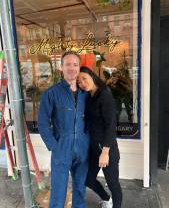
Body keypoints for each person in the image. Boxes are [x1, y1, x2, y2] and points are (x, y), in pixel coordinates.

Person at [37, 51, 90, 208]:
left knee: (80, 188)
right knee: (58, 190)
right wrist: (54, 146)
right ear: (61, 67)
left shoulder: (86, 93)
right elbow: (42, 123)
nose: (72, 68)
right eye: (68, 64)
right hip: (62, 146)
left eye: (75, 64)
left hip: (82, 147)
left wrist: (89, 142)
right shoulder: (51, 94)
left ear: (79, 68)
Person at [78, 66, 122, 208]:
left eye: (84, 78)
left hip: (106, 149)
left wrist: (105, 152)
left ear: (92, 75)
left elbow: (111, 125)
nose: (83, 83)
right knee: (88, 179)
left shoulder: (104, 94)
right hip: (93, 148)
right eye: (79, 82)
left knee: (113, 183)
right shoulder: (90, 95)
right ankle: (106, 199)